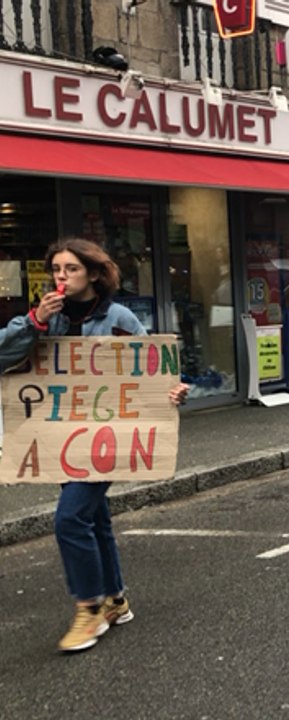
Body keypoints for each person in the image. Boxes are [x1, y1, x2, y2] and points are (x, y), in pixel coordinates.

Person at [0, 238, 189, 652]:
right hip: (61, 436)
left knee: (70, 519)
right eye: (56, 270)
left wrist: (171, 392)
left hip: (108, 436)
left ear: (93, 274)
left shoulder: (117, 317)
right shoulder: (44, 317)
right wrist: (33, 321)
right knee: (95, 518)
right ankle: (116, 600)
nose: (61, 277)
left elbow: (151, 367)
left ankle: (88, 610)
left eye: (70, 269)